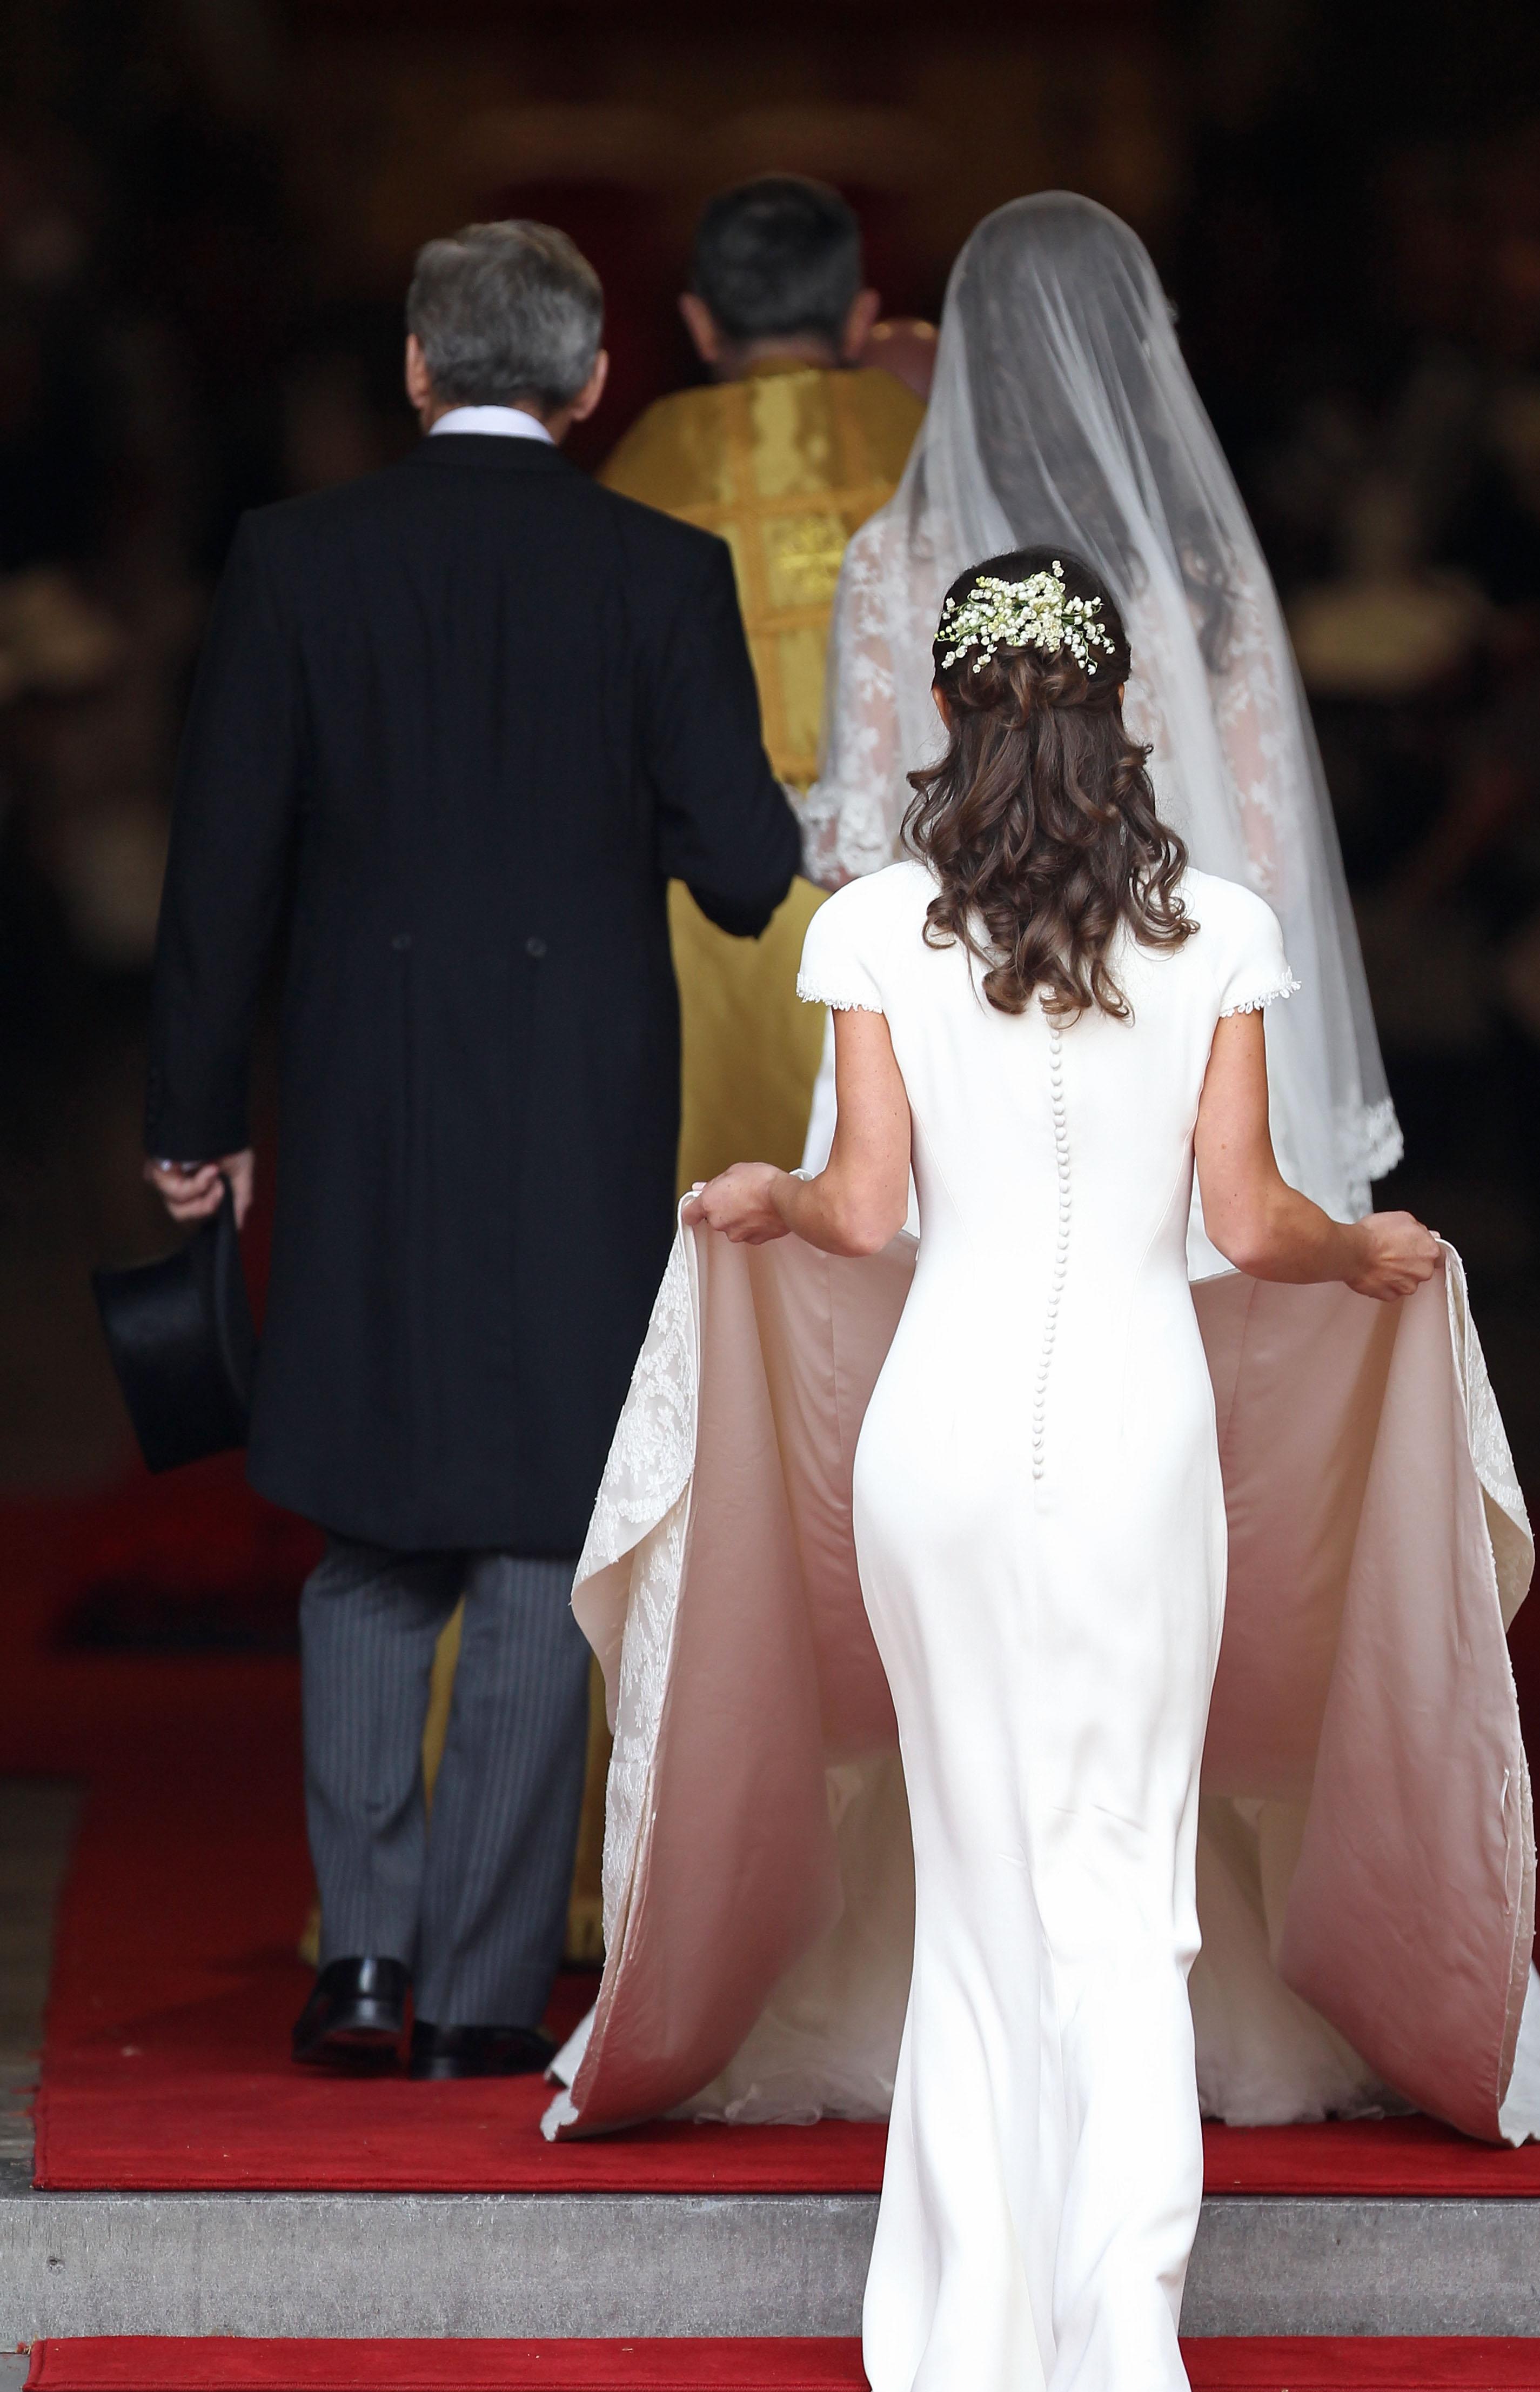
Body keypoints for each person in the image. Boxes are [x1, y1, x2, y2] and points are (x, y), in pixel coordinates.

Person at [675, 551, 1440, 2392]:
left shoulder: (869, 928)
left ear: (945, 709)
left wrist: (757, 1189)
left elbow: (856, 1212)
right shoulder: (1216, 930)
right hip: (1128, 1441)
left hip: (934, 1453)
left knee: (984, 1883)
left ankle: (983, 2377)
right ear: (1124, 718)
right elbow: (1258, 1222)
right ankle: (1099, 2366)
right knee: (1120, 1892)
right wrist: (1376, 1249)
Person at [144, 219, 799, 2081]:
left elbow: (220, 872)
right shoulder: (660, 571)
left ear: (420, 370)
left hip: (359, 1094)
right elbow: (746, 869)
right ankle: (491, 1989)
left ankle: (359, 1962)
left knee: (366, 1524)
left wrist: (195, 1127)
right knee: (531, 1529)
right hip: (577, 1105)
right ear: (594, 387)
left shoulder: (294, 558)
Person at [801, 192, 1402, 1251]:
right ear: (1140, 355)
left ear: (973, 357)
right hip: (1178, 1037)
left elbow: (856, 853)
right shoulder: (1206, 577)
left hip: (952, 1045)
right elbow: (1271, 862)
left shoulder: (892, 562)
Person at [599, 176, 925, 1185]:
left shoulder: (641, 471)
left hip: (704, 919)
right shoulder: (932, 448)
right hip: (917, 899)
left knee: (725, 1228)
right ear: (863, 316)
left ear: (699, 322)